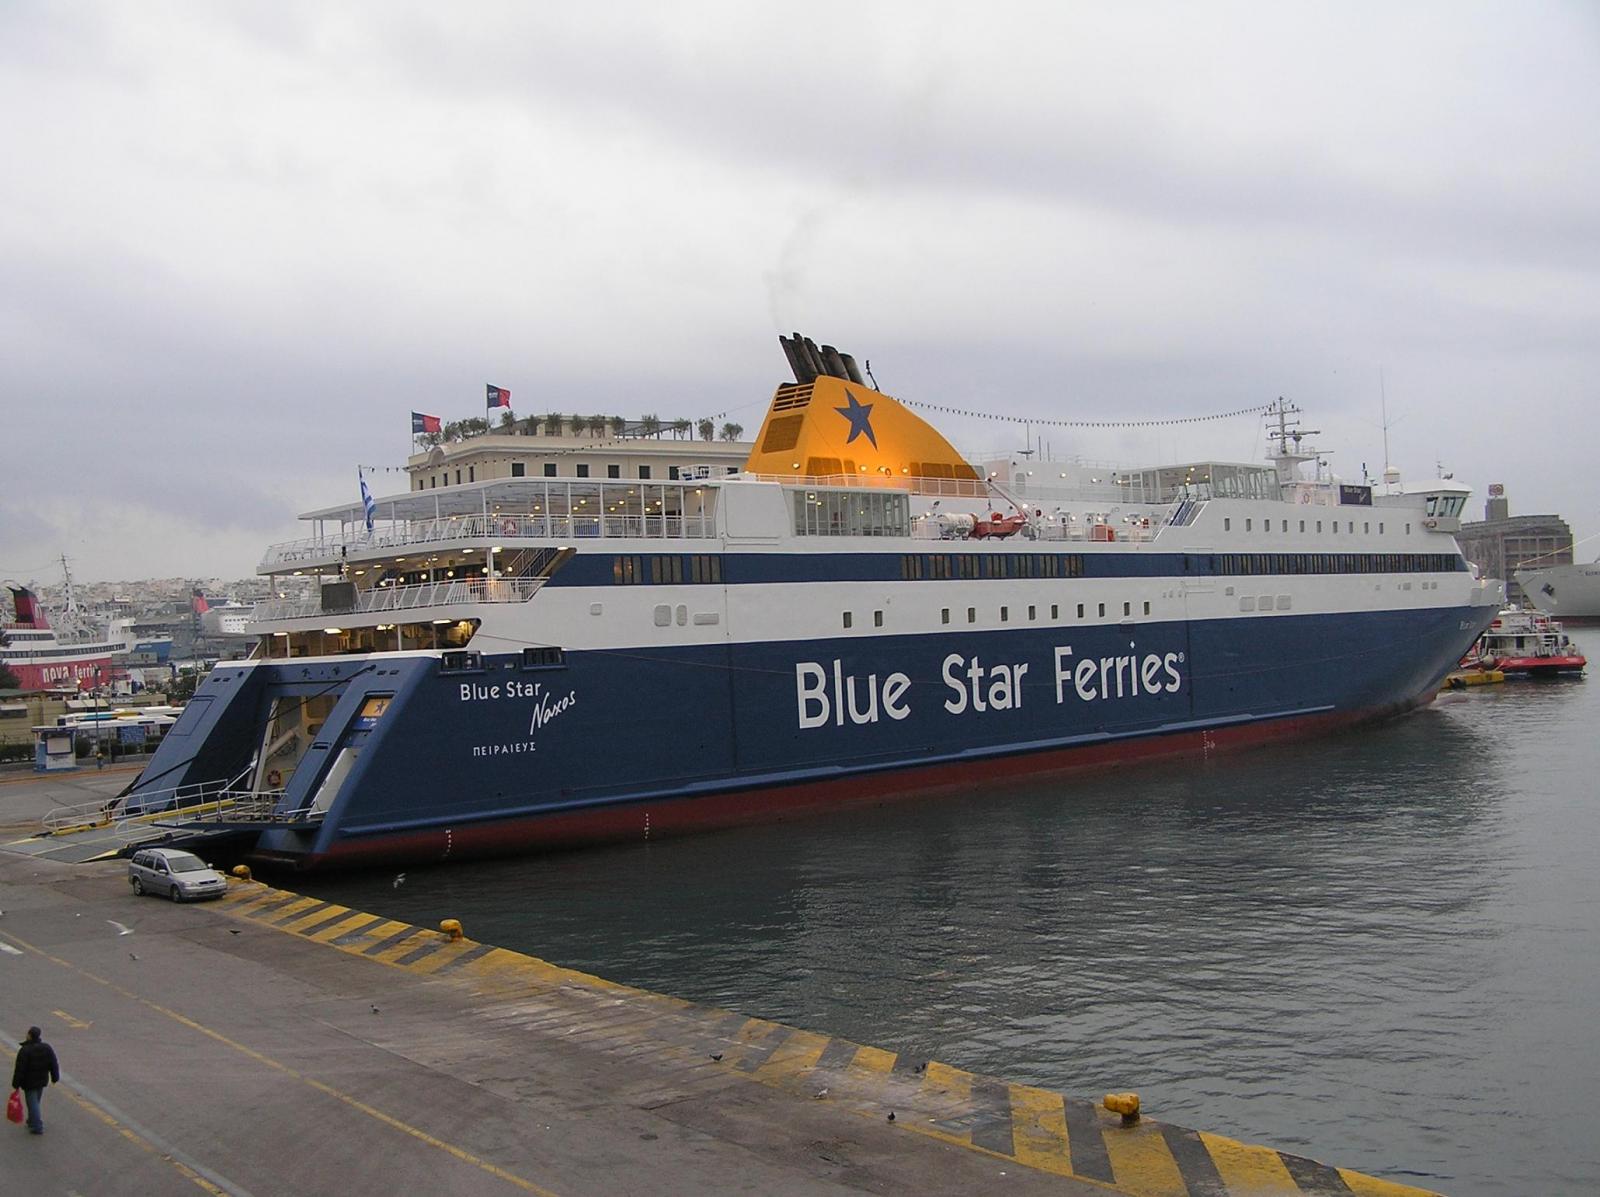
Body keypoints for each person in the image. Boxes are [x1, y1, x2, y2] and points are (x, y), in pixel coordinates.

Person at [11, 1026, 60, 1134]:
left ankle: (37, 1125)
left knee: (33, 1103)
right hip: (42, 1080)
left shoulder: (25, 1050)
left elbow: (20, 1069)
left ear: (29, 1035)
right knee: (35, 1101)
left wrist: (16, 1083)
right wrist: (55, 1077)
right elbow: (53, 1063)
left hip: (29, 1082)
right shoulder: (46, 1048)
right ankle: (32, 1120)